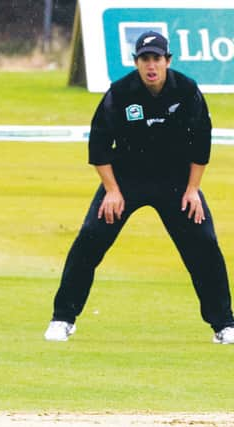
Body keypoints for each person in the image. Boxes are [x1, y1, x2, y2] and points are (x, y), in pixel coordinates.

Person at [44, 31, 234, 344]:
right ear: (136, 62)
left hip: (175, 181)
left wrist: (192, 190)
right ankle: (62, 318)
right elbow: (99, 145)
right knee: (90, 240)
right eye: (144, 59)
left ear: (167, 61)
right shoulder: (120, 92)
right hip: (126, 178)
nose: (151, 65)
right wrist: (112, 191)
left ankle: (224, 324)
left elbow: (201, 142)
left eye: (157, 59)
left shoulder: (186, 90)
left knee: (203, 243)